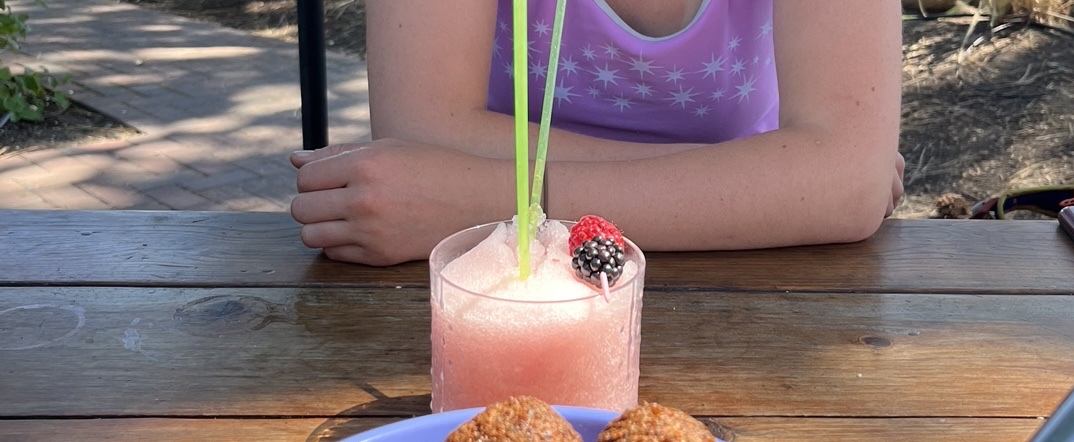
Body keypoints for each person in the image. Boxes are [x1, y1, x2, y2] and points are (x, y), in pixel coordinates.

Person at [290, 0, 905, 267]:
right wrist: (763, 179)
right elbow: (420, 128)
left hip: (766, 293)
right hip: (508, 288)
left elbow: (846, 179)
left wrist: (492, 200)